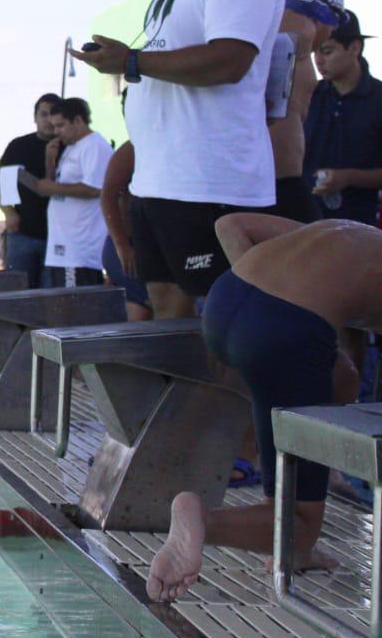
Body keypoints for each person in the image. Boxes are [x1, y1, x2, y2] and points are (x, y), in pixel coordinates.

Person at [71, 0, 282, 320]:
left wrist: (132, 60)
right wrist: (127, 62)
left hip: (208, 183)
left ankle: (227, 398)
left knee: (220, 322)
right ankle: (185, 397)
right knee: (168, 311)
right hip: (160, 181)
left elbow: (230, 60)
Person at [145, 214, 375, 602]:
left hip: (228, 300)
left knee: (341, 377)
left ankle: (293, 547)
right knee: (299, 522)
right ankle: (203, 520)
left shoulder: (352, 235)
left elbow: (230, 226)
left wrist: (264, 316)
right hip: (283, 328)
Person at [270, 0, 345, 222]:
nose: (332, 32)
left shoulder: (277, 29)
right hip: (280, 180)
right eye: (332, 24)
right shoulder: (300, 31)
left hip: (272, 177)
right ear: (321, 16)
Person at [18, 98, 112, 288]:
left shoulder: (94, 146)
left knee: (74, 308)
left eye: (60, 125)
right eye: (54, 126)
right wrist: (49, 164)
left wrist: (52, 188)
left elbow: (95, 188)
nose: (56, 132)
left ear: (78, 120)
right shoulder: (71, 148)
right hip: (62, 247)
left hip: (78, 250)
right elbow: (57, 185)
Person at [304, 9, 382, 225]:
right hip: (305, 221)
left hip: (363, 227)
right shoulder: (308, 96)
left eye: (327, 51)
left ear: (355, 47)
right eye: (315, 52)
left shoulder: (378, 99)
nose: (318, 60)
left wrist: (349, 177)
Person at [0, 94, 62, 289]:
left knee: (51, 296)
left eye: (53, 114)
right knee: (18, 292)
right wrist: (8, 212)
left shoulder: (68, 146)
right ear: (35, 117)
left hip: (58, 236)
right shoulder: (19, 146)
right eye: (44, 114)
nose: (48, 120)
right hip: (22, 233)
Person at [101, 141, 151, 321]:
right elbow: (107, 196)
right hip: (127, 246)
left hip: (149, 245)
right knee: (143, 308)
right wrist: (122, 246)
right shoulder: (132, 149)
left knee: (145, 308)